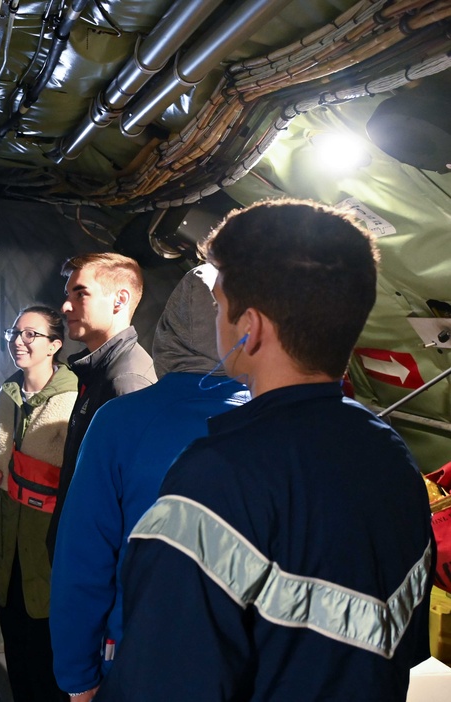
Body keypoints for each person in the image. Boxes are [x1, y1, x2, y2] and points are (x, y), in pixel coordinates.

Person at [99, 199, 435, 701]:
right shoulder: (392, 453)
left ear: (249, 328)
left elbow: (162, 682)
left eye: (219, 305)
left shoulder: (216, 478)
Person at [49, 264, 248, 701]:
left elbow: (83, 562)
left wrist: (78, 677)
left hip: (142, 663)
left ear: (170, 326)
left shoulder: (121, 422)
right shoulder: (281, 423)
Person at [0, 305, 77, 702]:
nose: (18, 341)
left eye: (30, 335)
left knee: (48, 662)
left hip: (50, 549)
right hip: (8, 547)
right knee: (18, 656)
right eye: (15, 333)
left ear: (55, 344)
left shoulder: (74, 399)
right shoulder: (8, 393)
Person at [46, 252, 156, 557]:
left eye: (80, 293)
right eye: (67, 295)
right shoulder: (100, 372)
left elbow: (132, 506)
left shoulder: (127, 381)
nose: (66, 306)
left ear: (119, 300)